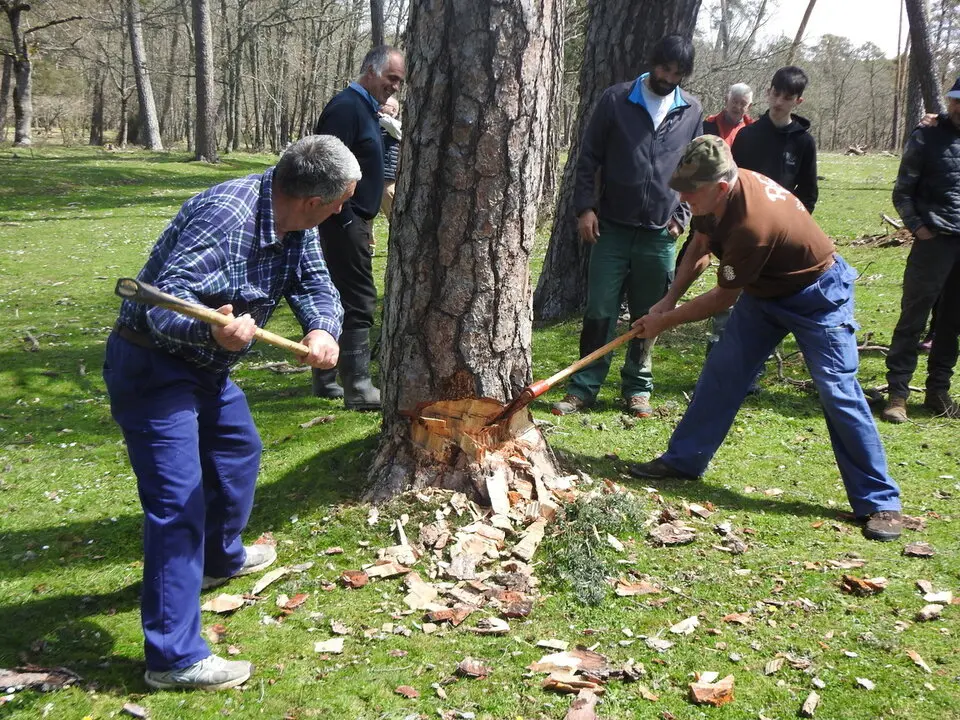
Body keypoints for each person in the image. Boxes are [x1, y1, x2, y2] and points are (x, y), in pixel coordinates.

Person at [103, 135, 360, 690]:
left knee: (238, 454)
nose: (343, 210)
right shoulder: (227, 216)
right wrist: (213, 332)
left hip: (206, 370)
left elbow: (315, 283)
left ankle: (221, 557)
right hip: (152, 367)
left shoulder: (297, 225)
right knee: (178, 504)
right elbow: (158, 306)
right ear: (315, 200)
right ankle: (173, 659)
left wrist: (321, 327)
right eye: (341, 201)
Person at [628, 136, 903, 543]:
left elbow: (723, 297)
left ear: (720, 187)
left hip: (818, 295)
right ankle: (684, 461)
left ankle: (879, 501)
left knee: (837, 391)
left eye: (690, 191)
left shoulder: (751, 225)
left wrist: (665, 322)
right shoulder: (715, 197)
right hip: (766, 294)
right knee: (724, 372)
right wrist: (666, 299)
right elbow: (701, 245)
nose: (682, 197)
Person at [551, 34, 703, 419]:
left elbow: (696, 166)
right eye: (665, 69)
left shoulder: (691, 110)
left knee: (649, 313)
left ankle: (638, 388)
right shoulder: (616, 99)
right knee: (599, 309)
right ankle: (583, 387)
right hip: (611, 229)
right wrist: (585, 208)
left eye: (677, 73)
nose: (668, 78)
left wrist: (681, 218)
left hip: (659, 233)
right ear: (653, 62)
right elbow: (588, 158)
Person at [311, 45, 406, 410]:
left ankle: (325, 377)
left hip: (353, 218)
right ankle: (359, 386)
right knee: (359, 297)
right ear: (370, 70)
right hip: (340, 219)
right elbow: (324, 166)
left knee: (337, 295)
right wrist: (347, 216)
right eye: (391, 78)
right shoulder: (345, 108)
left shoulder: (366, 109)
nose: (395, 86)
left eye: (399, 81)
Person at [881, 77, 960, 423]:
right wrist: (919, 228)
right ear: (951, 101)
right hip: (934, 242)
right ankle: (897, 393)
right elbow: (902, 191)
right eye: (956, 100)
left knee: (952, 322)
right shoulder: (926, 135)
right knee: (913, 318)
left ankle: (937, 391)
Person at [732, 66, 818, 214]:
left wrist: (793, 223)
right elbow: (732, 182)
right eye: (776, 94)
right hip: (744, 217)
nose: (778, 102)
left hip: (783, 221)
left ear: (798, 101)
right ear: (768, 92)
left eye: (787, 98)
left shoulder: (804, 142)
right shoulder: (746, 135)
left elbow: (808, 193)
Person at [379, 95, 401, 225]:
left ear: (393, 110)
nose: (379, 106)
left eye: (383, 104)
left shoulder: (396, 126)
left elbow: (391, 126)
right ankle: (368, 243)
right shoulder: (374, 123)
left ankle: (397, 230)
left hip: (387, 176)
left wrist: (379, 117)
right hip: (370, 173)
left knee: (389, 202)